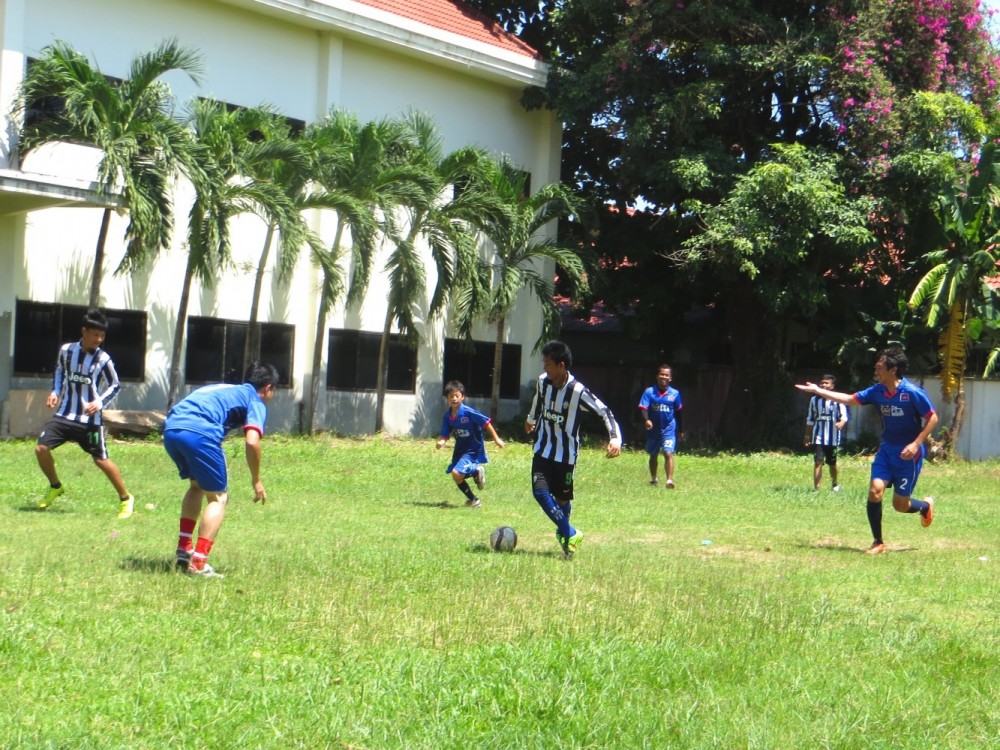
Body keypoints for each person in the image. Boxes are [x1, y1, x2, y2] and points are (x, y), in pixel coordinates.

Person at [795, 347, 937, 555]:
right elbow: (849, 399)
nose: (876, 371)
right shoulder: (877, 391)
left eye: (879, 367)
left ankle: (924, 507)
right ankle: (877, 542)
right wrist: (818, 391)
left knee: (900, 505)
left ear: (893, 369)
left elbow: (932, 417)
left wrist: (916, 444)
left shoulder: (912, 393)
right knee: (875, 491)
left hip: (909, 456)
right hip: (887, 452)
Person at [163, 361, 279, 577]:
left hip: (171, 429)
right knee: (218, 498)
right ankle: (198, 563)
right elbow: (252, 441)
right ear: (268, 388)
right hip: (200, 433)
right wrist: (256, 480)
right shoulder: (256, 400)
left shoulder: (223, 388)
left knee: (196, 486)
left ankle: (184, 549)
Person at [34, 308, 135, 519]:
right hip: (64, 415)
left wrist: (99, 403)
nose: (99, 339)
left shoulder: (104, 359)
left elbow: (115, 385)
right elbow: (60, 370)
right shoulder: (66, 351)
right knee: (41, 448)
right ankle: (55, 486)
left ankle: (126, 498)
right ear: (84, 331)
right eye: (95, 334)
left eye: (102, 335)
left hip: (90, 421)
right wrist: (55, 391)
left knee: (101, 460)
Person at [525, 340, 622, 559]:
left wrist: (615, 439)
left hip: (566, 457)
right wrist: (531, 418)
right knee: (540, 492)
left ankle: (567, 544)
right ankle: (570, 533)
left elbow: (604, 412)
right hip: (542, 449)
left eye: (548, 364)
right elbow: (538, 402)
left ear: (561, 366)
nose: (544, 368)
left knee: (562, 500)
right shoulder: (543, 382)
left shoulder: (577, 391)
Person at [435, 380, 505, 508]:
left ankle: (477, 470)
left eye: (457, 395)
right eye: (451, 396)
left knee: (456, 472)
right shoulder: (447, 417)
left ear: (463, 397)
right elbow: (445, 434)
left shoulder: (468, 412)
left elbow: (486, 422)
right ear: (447, 399)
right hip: (460, 449)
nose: (454, 399)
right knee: (456, 476)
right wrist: (441, 442)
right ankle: (474, 500)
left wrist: (496, 439)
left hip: (473, 448)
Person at [639, 364, 683, 488]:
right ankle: (654, 479)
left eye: (666, 375)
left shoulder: (675, 394)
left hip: (669, 429)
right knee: (653, 454)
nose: (663, 376)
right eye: (661, 374)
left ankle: (669, 480)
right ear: (657, 376)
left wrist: (680, 430)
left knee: (668, 453)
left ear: (670, 378)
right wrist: (646, 420)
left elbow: (679, 412)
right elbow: (643, 408)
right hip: (653, 430)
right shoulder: (649, 392)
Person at [804, 373, 849, 492]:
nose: (823, 385)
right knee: (818, 462)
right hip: (818, 437)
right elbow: (810, 418)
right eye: (822, 383)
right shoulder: (814, 400)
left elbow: (844, 416)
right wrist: (807, 436)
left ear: (832, 386)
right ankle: (816, 489)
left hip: (833, 439)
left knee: (832, 464)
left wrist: (842, 422)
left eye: (826, 383)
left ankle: (835, 484)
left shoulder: (837, 400)